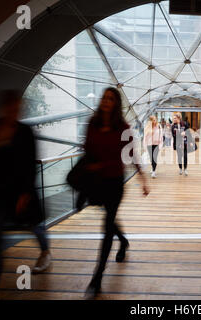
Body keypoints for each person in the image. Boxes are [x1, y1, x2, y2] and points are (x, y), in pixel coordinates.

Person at [0, 90, 51, 298]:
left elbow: (29, 166)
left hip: (21, 193)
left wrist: (25, 194)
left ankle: (45, 251)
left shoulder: (25, 132)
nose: (15, 112)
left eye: (17, 108)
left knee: (33, 226)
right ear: (3, 108)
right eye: (11, 108)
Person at [83, 87, 149, 298]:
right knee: (109, 220)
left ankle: (97, 277)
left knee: (107, 223)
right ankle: (123, 240)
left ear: (116, 103)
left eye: (110, 99)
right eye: (104, 97)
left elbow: (131, 154)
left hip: (114, 182)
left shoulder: (123, 127)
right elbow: (86, 149)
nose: (106, 101)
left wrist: (143, 179)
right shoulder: (92, 124)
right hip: (96, 181)